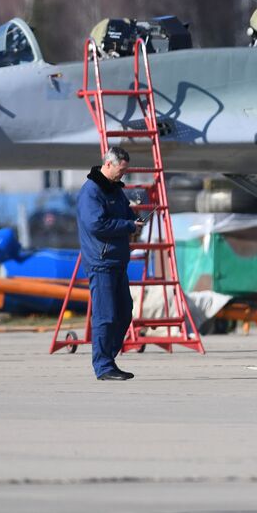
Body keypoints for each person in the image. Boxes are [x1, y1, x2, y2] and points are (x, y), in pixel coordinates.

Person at [76, 147, 145, 381]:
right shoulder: (91, 192)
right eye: (121, 170)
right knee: (105, 316)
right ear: (108, 164)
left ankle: (108, 358)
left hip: (117, 260)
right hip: (101, 262)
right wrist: (128, 226)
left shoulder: (115, 190)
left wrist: (134, 221)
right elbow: (96, 224)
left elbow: (125, 214)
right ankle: (103, 366)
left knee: (124, 313)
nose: (123, 175)